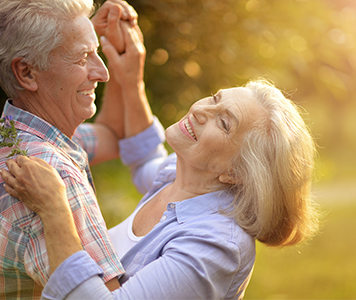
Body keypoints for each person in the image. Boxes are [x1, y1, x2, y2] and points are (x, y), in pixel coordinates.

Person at [1, 73, 320, 299]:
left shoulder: (215, 246)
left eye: (223, 122)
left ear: (235, 172)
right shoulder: (182, 175)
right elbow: (145, 161)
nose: (199, 109)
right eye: (214, 97)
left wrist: (55, 209)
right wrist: (130, 76)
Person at [0, 0, 144, 297]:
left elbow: (112, 134)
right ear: (26, 73)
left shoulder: (15, 133)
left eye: (98, 54)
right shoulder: (53, 178)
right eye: (82, 58)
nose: (102, 72)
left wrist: (119, 57)